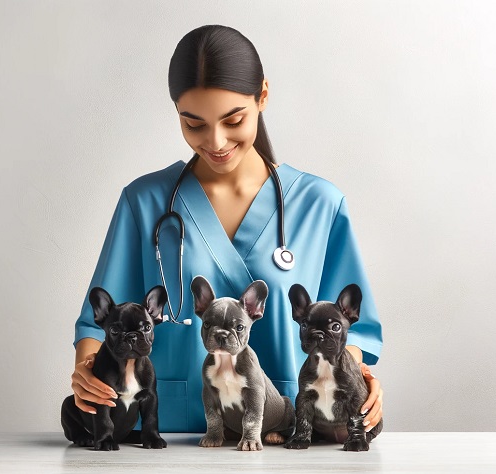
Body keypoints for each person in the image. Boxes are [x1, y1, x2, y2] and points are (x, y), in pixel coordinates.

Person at [63, 24, 384, 435]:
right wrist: (87, 374)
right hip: (164, 439)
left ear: (262, 96)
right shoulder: (143, 203)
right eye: (193, 124)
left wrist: (359, 383)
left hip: (285, 438)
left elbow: (353, 329)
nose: (215, 141)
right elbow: (98, 322)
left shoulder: (321, 203)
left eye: (233, 119)